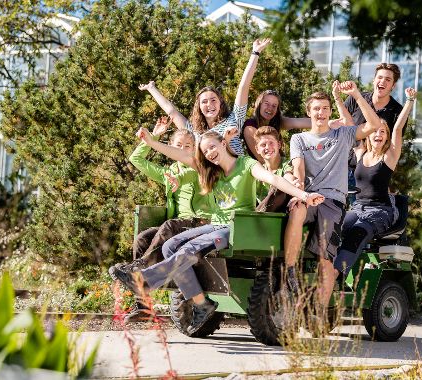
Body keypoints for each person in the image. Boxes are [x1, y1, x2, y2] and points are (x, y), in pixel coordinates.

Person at [110, 129, 324, 334]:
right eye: (205, 151)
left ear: (223, 143)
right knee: (170, 245)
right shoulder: (210, 170)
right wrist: (152, 142)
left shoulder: (246, 164)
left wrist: (304, 195)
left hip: (236, 227)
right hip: (215, 224)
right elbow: (181, 154)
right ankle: (201, 304)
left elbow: (274, 180)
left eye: (212, 147)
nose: (210, 153)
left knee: (190, 249)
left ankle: (145, 281)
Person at [283, 81, 381, 314]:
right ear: (309, 112)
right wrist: (300, 193)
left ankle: (318, 313)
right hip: (308, 197)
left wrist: (356, 94)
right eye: (316, 108)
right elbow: (298, 169)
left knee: (325, 260)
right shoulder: (299, 140)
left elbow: (374, 125)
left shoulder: (343, 135)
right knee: (296, 208)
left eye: (325, 108)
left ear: (330, 111)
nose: (321, 112)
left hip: (333, 202)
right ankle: (289, 272)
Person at [110, 117, 213, 322]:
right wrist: (154, 136)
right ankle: (143, 306)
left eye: (188, 146)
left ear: (194, 149)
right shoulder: (168, 172)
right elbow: (136, 159)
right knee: (142, 238)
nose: (183, 149)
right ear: (170, 148)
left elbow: (190, 174)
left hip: (200, 222)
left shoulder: (200, 166)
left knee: (168, 225)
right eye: (178, 146)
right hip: (178, 225)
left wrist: (178, 179)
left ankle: (138, 270)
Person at [334, 87, 417, 278]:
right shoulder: (361, 152)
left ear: (387, 136)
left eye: (383, 132)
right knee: (334, 228)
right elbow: (348, 123)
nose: (378, 135)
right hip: (357, 208)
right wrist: (338, 99)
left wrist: (410, 101)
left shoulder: (389, 157)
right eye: (375, 131)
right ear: (368, 134)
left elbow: (397, 128)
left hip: (381, 211)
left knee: (356, 235)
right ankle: (329, 270)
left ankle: (334, 275)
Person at [139, 39, 272, 156]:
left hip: (238, 173)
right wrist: (151, 88)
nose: (209, 104)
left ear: (220, 103)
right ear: (199, 107)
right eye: (204, 102)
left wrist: (255, 53)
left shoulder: (234, 119)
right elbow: (171, 111)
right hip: (213, 179)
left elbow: (243, 87)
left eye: (213, 100)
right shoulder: (194, 131)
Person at [340, 63, 407, 204]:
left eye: (388, 80)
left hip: (369, 175)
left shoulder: (397, 112)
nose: (382, 81)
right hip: (344, 167)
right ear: (374, 80)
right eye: (380, 77)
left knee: (361, 216)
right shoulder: (355, 98)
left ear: (393, 86)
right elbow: (342, 124)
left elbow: (393, 145)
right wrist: (336, 96)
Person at [242, 90, 310, 161]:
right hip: (262, 169)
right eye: (266, 104)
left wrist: (320, 120)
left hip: (279, 166)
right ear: (259, 105)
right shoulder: (250, 126)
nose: (270, 108)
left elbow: (298, 122)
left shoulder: (276, 122)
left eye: (274, 106)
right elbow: (262, 159)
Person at [253, 126, 299, 212]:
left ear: (279, 145)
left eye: (271, 143)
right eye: (263, 145)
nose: (267, 147)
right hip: (261, 213)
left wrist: (290, 182)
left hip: (281, 211)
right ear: (257, 149)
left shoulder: (286, 164)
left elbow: (289, 176)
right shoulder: (259, 169)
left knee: (279, 187)